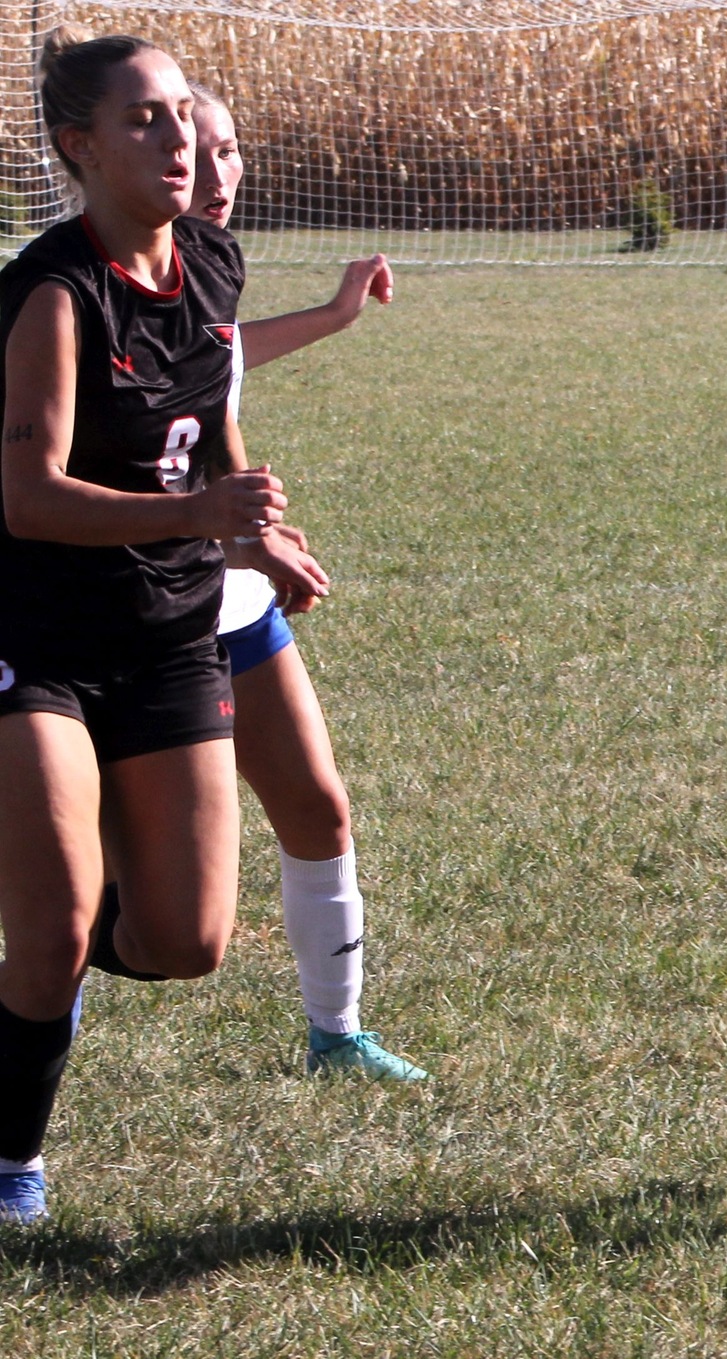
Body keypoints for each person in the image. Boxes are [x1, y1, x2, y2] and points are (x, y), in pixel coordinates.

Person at [0, 30, 329, 1222]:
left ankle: (32, 979)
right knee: (55, 927)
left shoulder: (211, 262)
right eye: (143, 119)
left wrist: (254, 536)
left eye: (181, 112)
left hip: (172, 633)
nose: (176, 136)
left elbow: (212, 427)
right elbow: (26, 499)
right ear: (80, 149)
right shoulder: (53, 292)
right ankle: (11, 1167)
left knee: (187, 940)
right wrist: (199, 512)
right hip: (39, 644)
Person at [186, 84, 425, 1080]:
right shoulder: (71, 289)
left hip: (231, 598)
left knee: (318, 808)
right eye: (190, 150)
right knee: (115, 900)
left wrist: (331, 316)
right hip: (133, 613)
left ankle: (337, 1035)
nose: (211, 174)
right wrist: (234, 539)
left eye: (228, 151)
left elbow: (218, 367)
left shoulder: (204, 267)